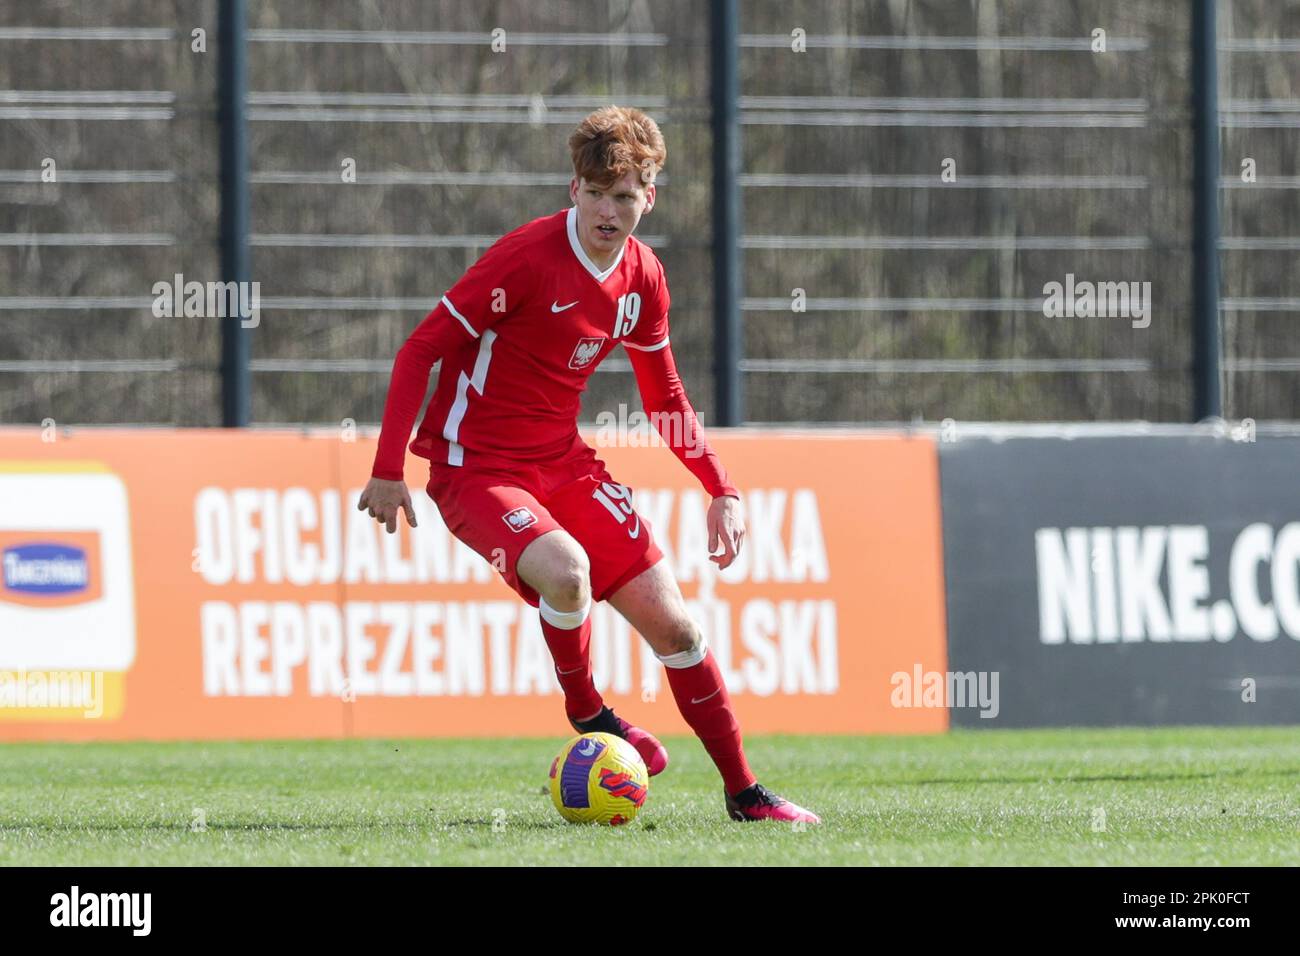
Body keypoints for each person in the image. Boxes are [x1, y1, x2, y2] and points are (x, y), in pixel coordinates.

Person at [359, 105, 819, 823]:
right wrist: (389, 468)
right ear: (573, 189)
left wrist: (720, 488)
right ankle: (589, 712)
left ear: (650, 197)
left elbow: (665, 395)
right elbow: (419, 348)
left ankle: (745, 794)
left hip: (564, 464)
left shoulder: (642, 278)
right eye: (596, 192)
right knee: (567, 570)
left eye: (625, 195)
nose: (609, 209)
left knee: (680, 631)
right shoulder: (526, 258)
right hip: (475, 468)